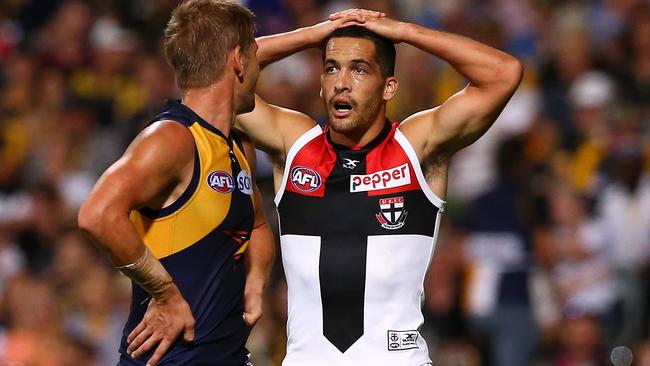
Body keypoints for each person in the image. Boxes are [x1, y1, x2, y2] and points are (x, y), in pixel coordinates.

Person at [235, 11, 523, 366]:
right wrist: (312, 35)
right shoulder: (294, 144)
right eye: (331, 68)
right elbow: (215, 76)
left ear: (389, 86)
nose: (341, 82)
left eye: (358, 69)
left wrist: (406, 32)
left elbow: (503, 73)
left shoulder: (418, 146)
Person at [77, 1, 279, 365]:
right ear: (238, 60)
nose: (259, 66)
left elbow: (259, 226)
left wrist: (256, 280)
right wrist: (165, 293)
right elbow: (96, 214)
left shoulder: (236, 144)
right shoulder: (172, 138)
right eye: (255, 54)